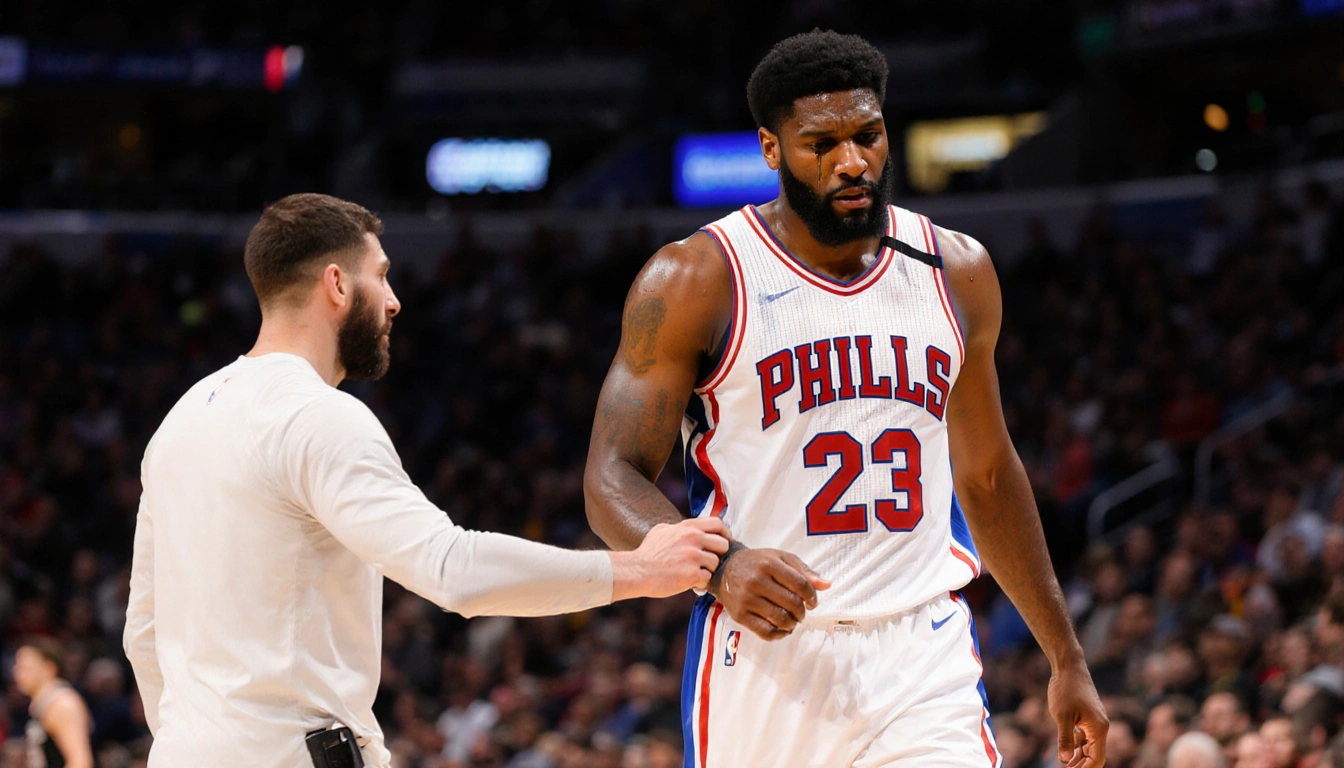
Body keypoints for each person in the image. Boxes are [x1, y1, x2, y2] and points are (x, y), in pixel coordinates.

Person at [583, 29, 1107, 768]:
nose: (852, 162)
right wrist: (719, 566)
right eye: (821, 144)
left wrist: (1066, 656)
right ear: (771, 149)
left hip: (921, 653)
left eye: (867, 135)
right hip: (766, 655)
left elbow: (988, 476)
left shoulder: (956, 270)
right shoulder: (697, 279)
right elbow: (610, 478)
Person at [123, 193, 730, 767]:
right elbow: (451, 569)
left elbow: (142, 634)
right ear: (337, 284)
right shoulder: (316, 416)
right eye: (381, 275)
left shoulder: (179, 422)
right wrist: (639, 569)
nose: (393, 301)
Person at [11, 637, 94, 768]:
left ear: (49, 668)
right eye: (17, 667)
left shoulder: (63, 703)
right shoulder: (42, 704)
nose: (17, 673)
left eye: (25, 668)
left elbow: (81, 762)